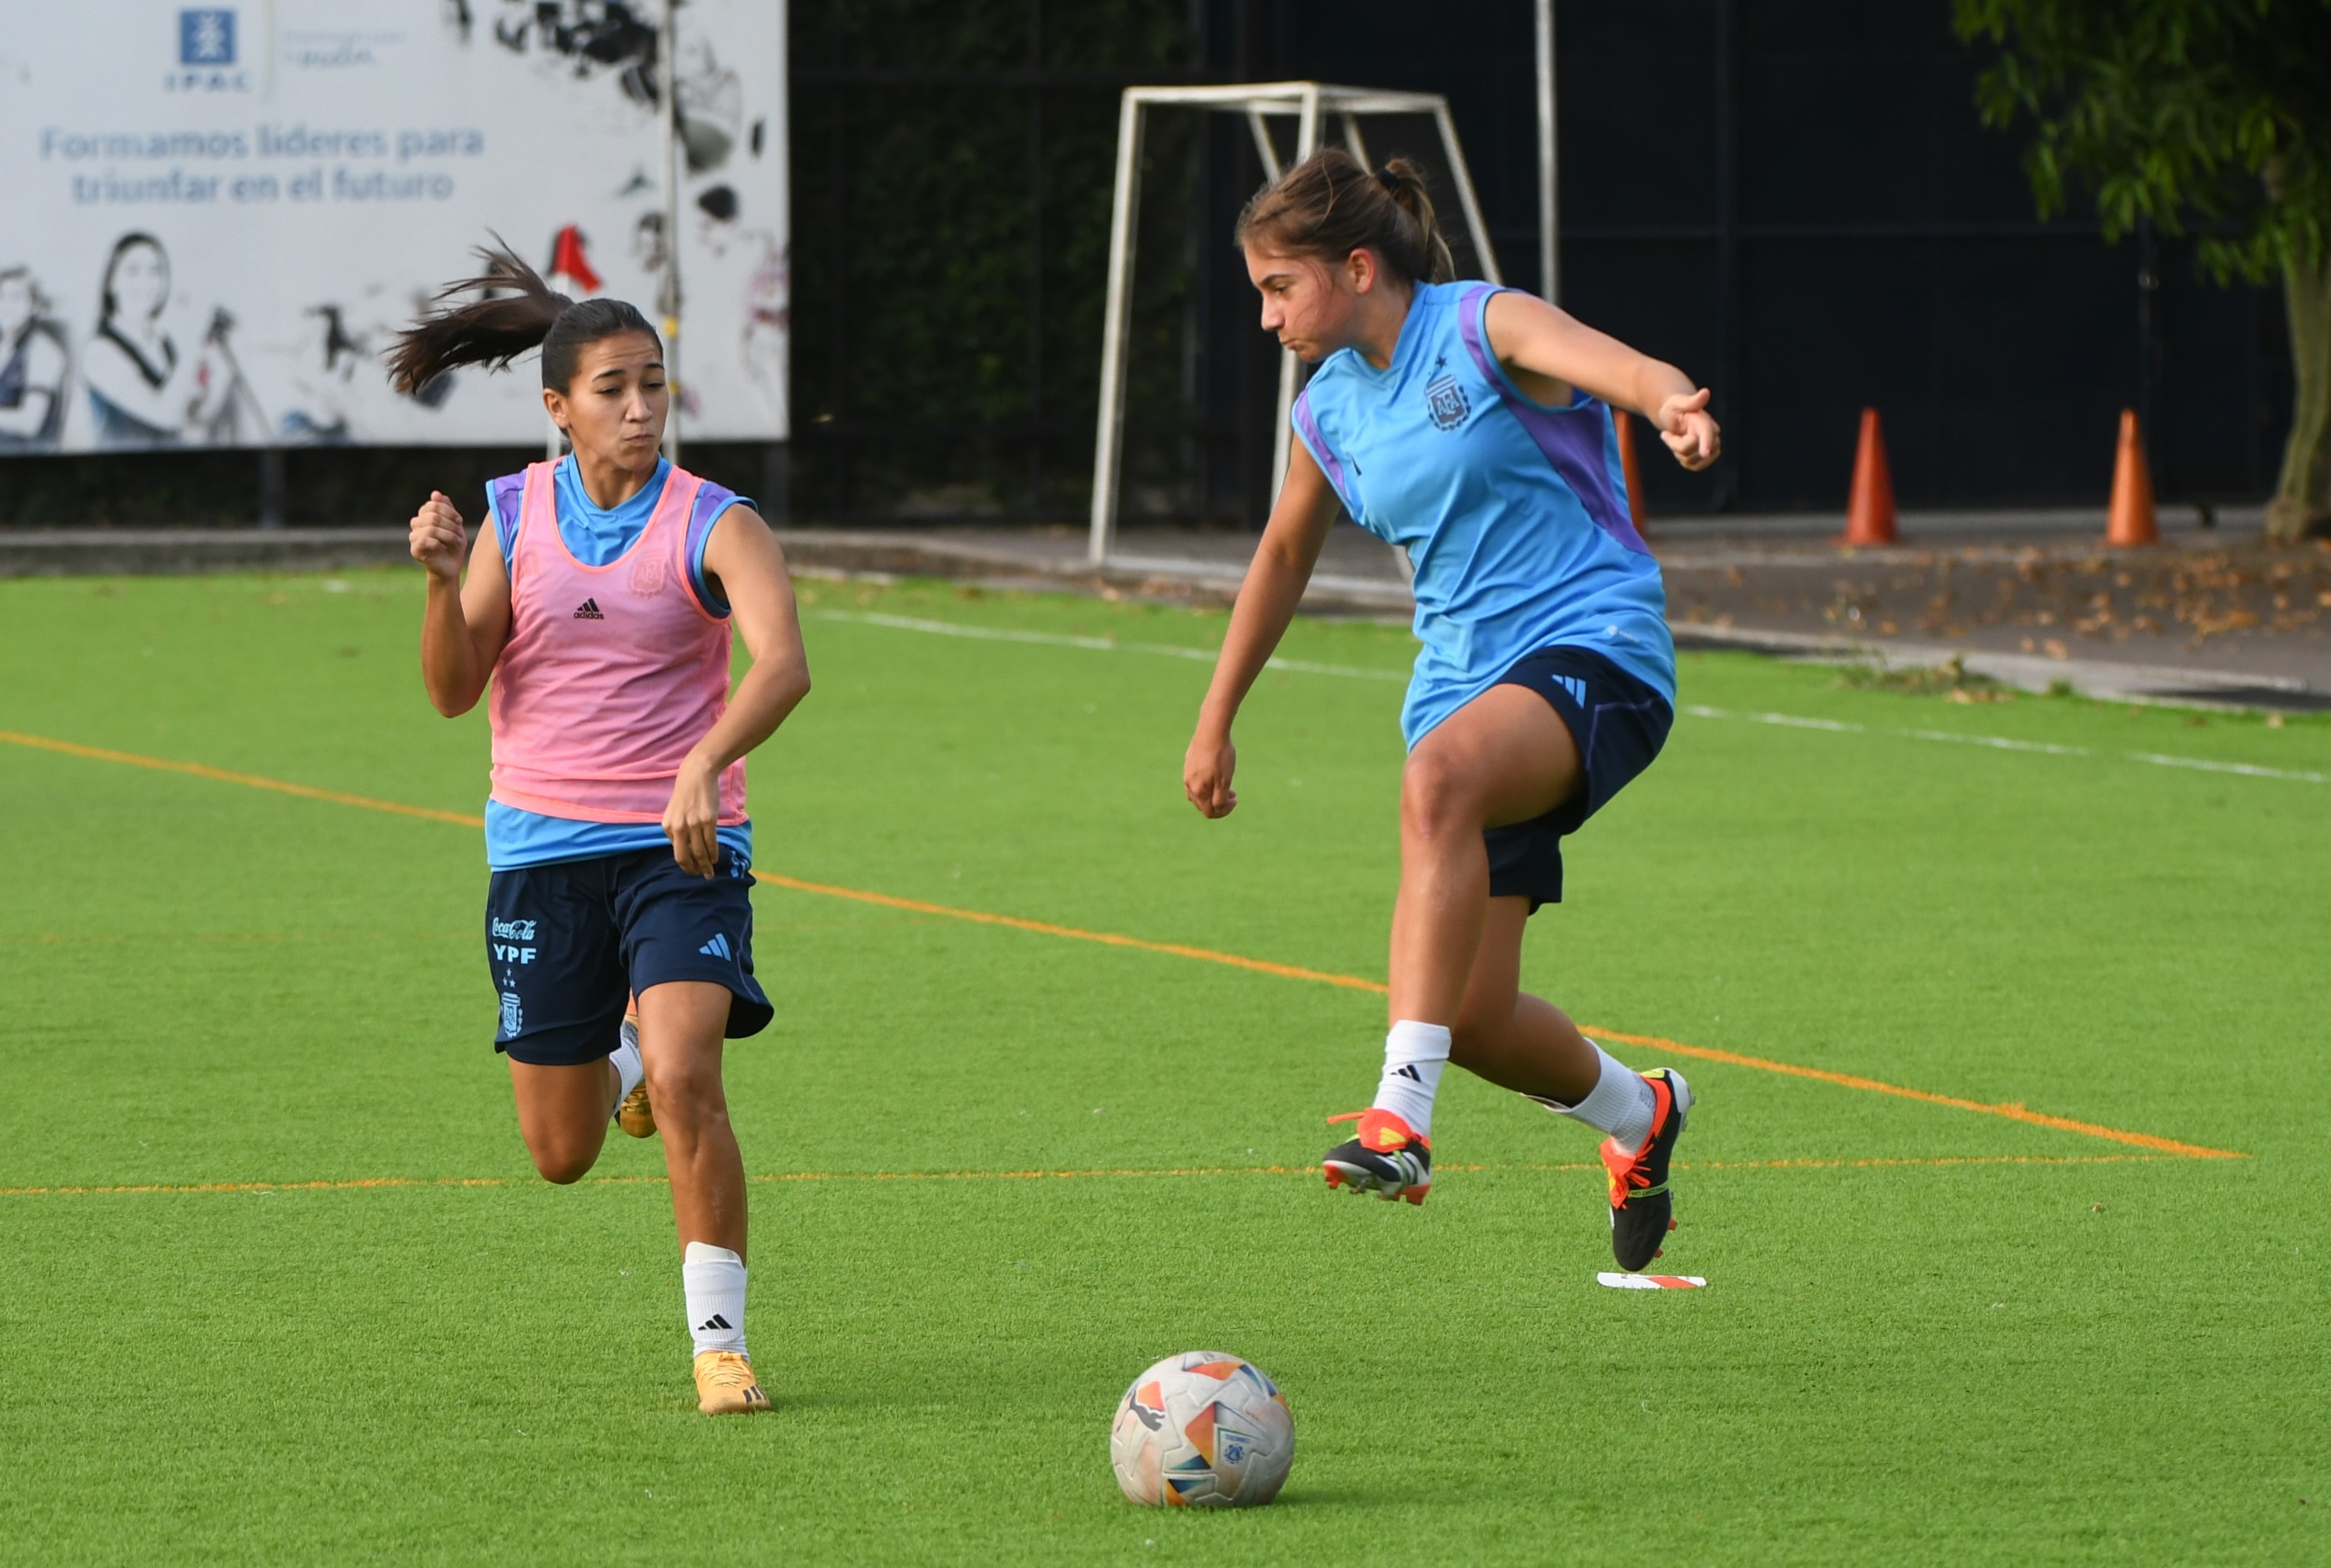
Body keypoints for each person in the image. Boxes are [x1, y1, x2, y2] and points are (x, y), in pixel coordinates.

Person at [1182, 150, 1721, 1271]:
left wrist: (1669, 401)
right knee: (1477, 1016)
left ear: (1358, 267)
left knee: (1439, 782)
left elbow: (1620, 365)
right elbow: (1283, 555)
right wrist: (1215, 711)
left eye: (1279, 288)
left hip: (1596, 649)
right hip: (1465, 690)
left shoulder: (1482, 325)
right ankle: (1639, 1112)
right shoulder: (1328, 409)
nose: (1267, 317)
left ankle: (1400, 1118)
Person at [389, 243, 811, 1414]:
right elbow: (452, 688)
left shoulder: (716, 520)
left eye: (655, 384)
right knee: (561, 1150)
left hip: (683, 850)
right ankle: (611, 1052)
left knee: (689, 1078)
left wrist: (705, 762)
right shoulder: (513, 517)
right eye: (614, 389)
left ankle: (719, 1345)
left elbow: (784, 665)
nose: (640, 409)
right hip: (540, 860)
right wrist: (436, 583)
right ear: (558, 408)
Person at [83, 233, 234, 447]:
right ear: (111, 282)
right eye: (133, 271)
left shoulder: (162, 342)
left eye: (155, 271)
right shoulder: (98, 351)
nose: (146, 282)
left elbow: (191, 421)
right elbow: (165, 416)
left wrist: (221, 376)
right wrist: (193, 341)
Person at [0, 267, 69, 452]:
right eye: (1, 296)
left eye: (15, 297)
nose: (6, 305)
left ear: (32, 305)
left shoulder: (43, 350)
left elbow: (30, 423)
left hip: (27, 462)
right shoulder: (5, 344)